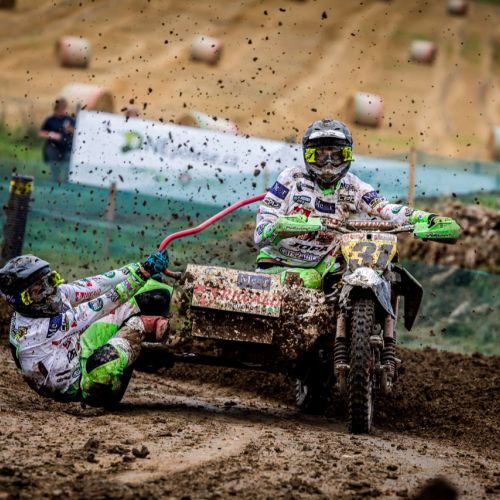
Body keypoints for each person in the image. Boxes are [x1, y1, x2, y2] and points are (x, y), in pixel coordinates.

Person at [254, 118, 455, 285]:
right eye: (320, 156)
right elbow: (260, 231)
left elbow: (385, 209)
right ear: (308, 155)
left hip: (323, 269)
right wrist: (280, 227)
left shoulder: (355, 187)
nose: (329, 163)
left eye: (337, 155)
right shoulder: (291, 178)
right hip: (277, 265)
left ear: (348, 155)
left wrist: (425, 218)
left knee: (349, 275)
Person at [0, 250, 172, 407]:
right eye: (37, 292)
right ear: (21, 301)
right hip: (86, 387)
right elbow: (101, 305)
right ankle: (141, 330)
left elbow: (97, 283)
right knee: (104, 362)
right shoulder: (38, 330)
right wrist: (141, 274)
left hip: (79, 353)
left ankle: (136, 344)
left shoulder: (55, 295)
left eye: (49, 281)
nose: (49, 292)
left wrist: (140, 267)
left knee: (155, 291)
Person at [39, 98, 75, 184]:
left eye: (63, 108)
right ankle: (55, 179)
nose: (62, 110)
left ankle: (67, 181)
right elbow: (41, 133)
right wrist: (52, 135)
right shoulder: (50, 120)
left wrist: (70, 129)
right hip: (53, 147)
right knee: (53, 161)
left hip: (67, 147)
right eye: (60, 108)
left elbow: (77, 132)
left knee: (68, 162)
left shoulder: (70, 120)